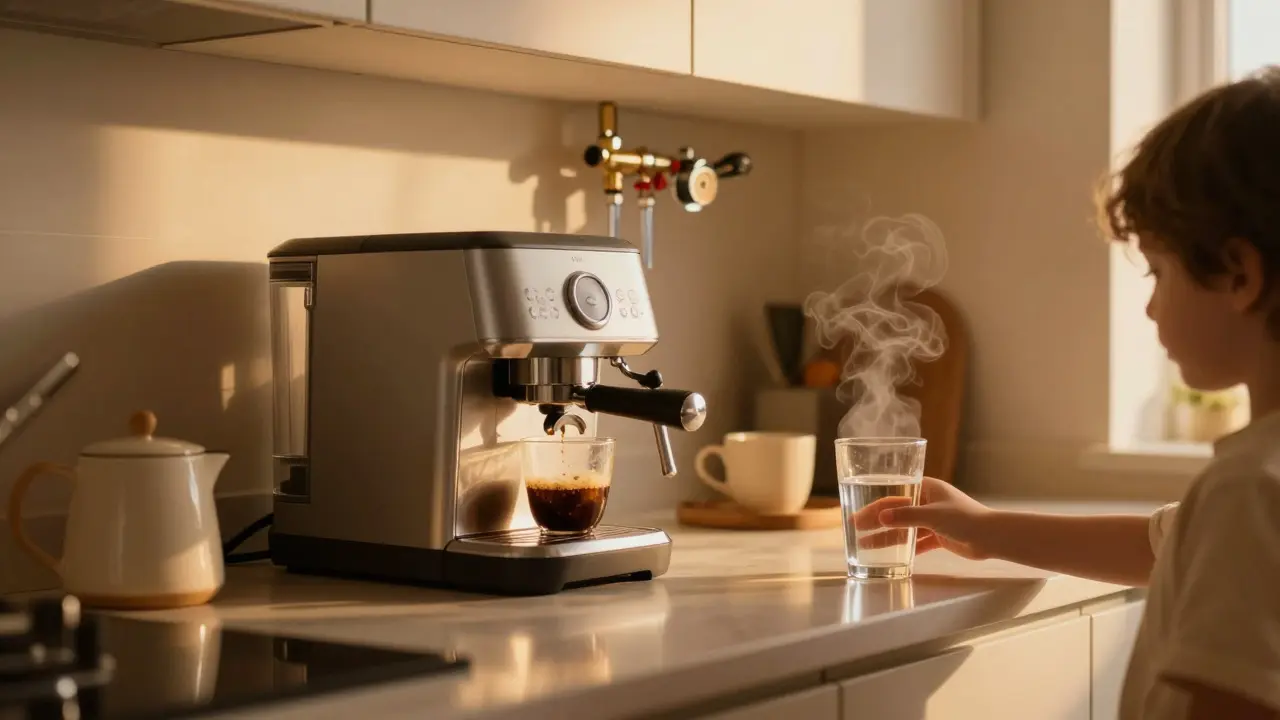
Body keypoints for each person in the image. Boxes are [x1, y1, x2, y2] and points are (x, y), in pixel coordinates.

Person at [859, 66, 1280, 719]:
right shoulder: (1251, 490)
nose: (1149, 308)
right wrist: (985, 529)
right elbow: (1160, 547)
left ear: (1239, 274)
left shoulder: (1250, 489)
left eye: (1158, 271)